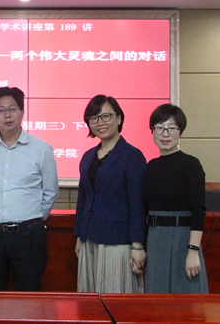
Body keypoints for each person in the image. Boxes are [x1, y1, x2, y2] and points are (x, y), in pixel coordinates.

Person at [0, 87, 58, 291]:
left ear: (22, 112)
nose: (7, 115)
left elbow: (50, 191)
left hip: (29, 236)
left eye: (12, 109)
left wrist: (32, 219)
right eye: (1, 110)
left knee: (29, 294)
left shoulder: (41, 148)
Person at [74, 95, 147, 293]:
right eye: (94, 118)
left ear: (119, 118)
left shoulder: (132, 156)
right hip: (89, 238)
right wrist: (79, 236)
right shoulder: (88, 156)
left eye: (106, 116)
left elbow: (137, 203)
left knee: (114, 298)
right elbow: (83, 198)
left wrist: (137, 245)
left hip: (118, 240)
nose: (100, 122)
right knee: (90, 300)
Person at [143, 104, 208, 293]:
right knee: (157, 297)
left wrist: (193, 251)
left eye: (171, 128)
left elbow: (198, 210)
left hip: (183, 238)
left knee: (186, 297)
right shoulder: (150, 166)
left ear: (180, 132)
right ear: (152, 131)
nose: (165, 134)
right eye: (160, 128)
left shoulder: (191, 164)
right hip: (155, 238)